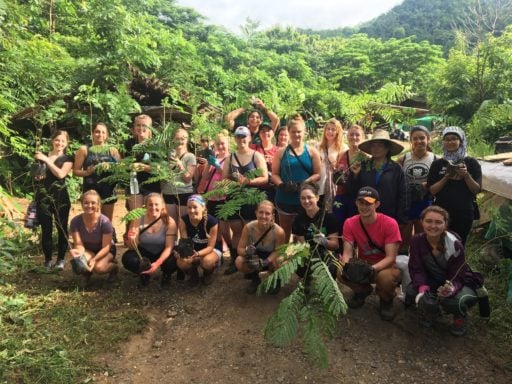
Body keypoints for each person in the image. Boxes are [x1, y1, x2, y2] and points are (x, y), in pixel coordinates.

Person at [407, 206, 480, 336]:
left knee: (453, 300)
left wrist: (451, 288)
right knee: (413, 291)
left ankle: (459, 317)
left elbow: (459, 275)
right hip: (433, 279)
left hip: (459, 282)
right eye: (429, 221)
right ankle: (431, 311)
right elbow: (416, 268)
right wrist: (422, 288)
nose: (433, 226)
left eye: (438, 222)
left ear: (445, 224)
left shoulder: (454, 244)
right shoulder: (416, 241)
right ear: (422, 222)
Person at [340, 186, 402, 321]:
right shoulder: (350, 223)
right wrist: (346, 267)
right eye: (361, 202)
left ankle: (386, 301)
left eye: (369, 203)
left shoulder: (390, 223)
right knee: (340, 271)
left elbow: (391, 257)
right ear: (356, 203)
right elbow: (347, 252)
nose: (364, 206)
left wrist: (371, 269)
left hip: (385, 265)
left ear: (377, 204)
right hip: (364, 263)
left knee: (386, 279)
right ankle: (361, 290)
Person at [222, 126, 269, 275]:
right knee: (236, 230)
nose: (241, 140)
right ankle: (236, 259)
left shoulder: (256, 155)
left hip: (251, 198)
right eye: (238, 137)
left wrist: (248, 181)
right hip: (234, 197)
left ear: (249, 138)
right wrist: (236, 183)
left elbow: (265, 178)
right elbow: (224, 178)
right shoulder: (230, 157)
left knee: (251, 230)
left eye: (244, 137)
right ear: (235, 139)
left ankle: (252, 260)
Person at [427, 126, 481, 245]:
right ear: (443, 142)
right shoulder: (437, 164)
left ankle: (458, 264)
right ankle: (439, 264)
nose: (450, 142)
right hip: (441, 211)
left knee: (459, 244)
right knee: (440, 243)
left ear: (461, 141)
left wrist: (466, 175)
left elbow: (476, 190)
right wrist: (447, 176)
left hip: (464, 211)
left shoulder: (471, 163)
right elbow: (432, 191)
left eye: (454, 139)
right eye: (447, 139)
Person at [272, 114, 321, 242]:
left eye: (299, 132)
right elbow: (274, 174)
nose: (296, 135)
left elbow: (318, 173)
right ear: (288, 132)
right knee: (285, 230)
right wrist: (282, 185)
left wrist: (305, 183)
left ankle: (301, 258)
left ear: (304, 132)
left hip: (305, 199)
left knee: (302, 231)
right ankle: (285, 257)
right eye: (293, 132)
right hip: (285, 197)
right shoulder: (280, 152)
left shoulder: (311, 151)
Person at [348, 129, 408, 226]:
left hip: (389, 216)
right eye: (373, 146)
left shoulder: (396, 169)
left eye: (380, 145)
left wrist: (401, 218)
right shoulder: (362, 166)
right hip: (366, 215)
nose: (376, 148)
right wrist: (355, 175)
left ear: (387, 148)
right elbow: (353, 191)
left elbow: (403, 195)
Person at [34, 130, 74, 270]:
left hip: (61, 197)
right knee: (46, 229)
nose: (60, 143)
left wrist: (46, 160)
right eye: (57, 140)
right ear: (52, 140)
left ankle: (61, 259)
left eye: (63, 141)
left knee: (61, 228)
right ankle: (47, 260)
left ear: (67, 143)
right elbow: (38, 175)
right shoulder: (41, 155)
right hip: (43, 197)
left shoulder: (68, 158)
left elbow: (61, 174)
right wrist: (38, 173)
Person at [122, 193, 178, 287]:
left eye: (156, 204)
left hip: (162, 252)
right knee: (127, 258)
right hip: (144, 253)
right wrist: (132, 239)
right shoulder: (138, 219)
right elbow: (132, 247)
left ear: (162, 206)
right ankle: (144, 273)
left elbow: (169, 247)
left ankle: (166, 274)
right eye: (150, 204)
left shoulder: (169, 221)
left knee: (173, 261)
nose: (153, 207)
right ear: (145, 206)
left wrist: (158, 263)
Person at [397, 125, 436, 252]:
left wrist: (427, 185)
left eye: (422, 138)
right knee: (405, 234)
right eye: (415, 138)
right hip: (407, 201)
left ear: (428, 139)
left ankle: (422, 256)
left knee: (423, 233)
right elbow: (397, 180)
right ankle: (404, 257)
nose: (419, 141)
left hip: (425, 201)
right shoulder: (403, 159)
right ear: (411, 141)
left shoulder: (435, 159)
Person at [235, 200, 286, 294]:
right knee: (239, 261)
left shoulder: (279, 232)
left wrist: (266, 261)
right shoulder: (249, 227)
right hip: (256, 257)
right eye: (261, 212)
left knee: (281, 260)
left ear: (272, 216)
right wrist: (246, 251)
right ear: (256, 213)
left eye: (267, 213)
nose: (263, 216)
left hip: (271, 258)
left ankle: (275, 279)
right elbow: (239, 249)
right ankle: (255, 279)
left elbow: (278, 251)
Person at [73, 123, 121, 221]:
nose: (100, 134)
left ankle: (109, 236)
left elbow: (121, 169)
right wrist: (87, 172)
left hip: (108, 188)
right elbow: (75, 171)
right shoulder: (84, 149)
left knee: (107, 220)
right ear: (92, 133)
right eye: (97, 132)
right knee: (91, 219)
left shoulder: (112, 150)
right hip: (90, 188)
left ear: (107, 135)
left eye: (103, 132)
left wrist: (111, 167)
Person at [69, 190, 118, 284]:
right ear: (82, 204)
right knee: (80, 263)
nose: (89, 206)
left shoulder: (105, 222)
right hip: (88, 249)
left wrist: (94, 259)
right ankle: (86, 274)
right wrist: (78, 253)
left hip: (105, 250)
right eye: (86, 203)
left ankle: (114, 267)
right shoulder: (75, 221)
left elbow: (106, 247)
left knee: (99, 268)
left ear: (99, 205)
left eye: (93, 203)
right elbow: (79, 244)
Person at [292, 183, 340, 278]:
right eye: (303, 198)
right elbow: (302, 245)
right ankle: (308, 283)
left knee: (331, 267)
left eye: (309, 197)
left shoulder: (328, 217)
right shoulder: (298, 220)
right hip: (309, 252)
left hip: (327, 253)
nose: (306, 201)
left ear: (317, 197)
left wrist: (324, 241)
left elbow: (335, 245)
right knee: (299, 265)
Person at [197, 131, 232, 255]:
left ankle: (232, 252)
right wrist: (209, 164)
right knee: (214, 228)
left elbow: (227, 176)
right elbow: (205, 177)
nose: (221, 146)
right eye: (218, 144)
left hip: (224, 197)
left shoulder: (231, 158)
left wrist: (218, 167)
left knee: (224, 229)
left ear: (228, 144)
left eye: (223, 144)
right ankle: (218, 253)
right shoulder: (214, 157)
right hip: (211, 198)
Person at [175, 195, 221, 285]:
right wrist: (182, 252)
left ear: (203, 207)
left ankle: (208, 274)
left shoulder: (212, 221)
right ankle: (193, 274)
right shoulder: (183, 220)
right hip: (193, 250)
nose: (192, 210)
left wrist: (197, 254)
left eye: (195, 207)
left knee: (207, 262)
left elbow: (210, 247)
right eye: (189, 207)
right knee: (181, 262)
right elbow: (185, 243)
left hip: (210, 250)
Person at [332, 124, 368, 234]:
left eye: (357, 135)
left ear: (362, 137)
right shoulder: (342, 154)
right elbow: (337, 176)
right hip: (341, 195)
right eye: (351, 134)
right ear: (347, 137)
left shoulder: (366, 158)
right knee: (338, 224)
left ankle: (353, 249)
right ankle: (339, 249)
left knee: (355, 227)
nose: (354, 137)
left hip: (358, 197)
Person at [162, 128, 197, 225]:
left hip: (183, 193)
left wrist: (179, 164)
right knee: (170, 223)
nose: (180, 141)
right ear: (173, 140)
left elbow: (187, 178)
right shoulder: (167, 156)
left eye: (183, 138)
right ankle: (173, 241)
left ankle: (184, 240)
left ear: (187, 140)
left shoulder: (190, 157)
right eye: (177, 139)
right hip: (168, 193)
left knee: (183, 224)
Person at [317, 118, 347, 212]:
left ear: (338, 132)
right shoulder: (318, 146)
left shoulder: (343, 148)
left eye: (333, 129)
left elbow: (344, 168)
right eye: (328, 129)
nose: (330, 131)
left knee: (333, 213)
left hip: (334, 186)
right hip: (320, 185)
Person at [250, 124, 278, 201]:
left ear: (272, 133)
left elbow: (281, 170)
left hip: (272, 188)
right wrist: (261, 161)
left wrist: (273, 161)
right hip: (256, 187)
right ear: (259, 134)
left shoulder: (278, 151)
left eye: (268, 131)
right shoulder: (253, 148)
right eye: (263, 131)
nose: (266, 133)